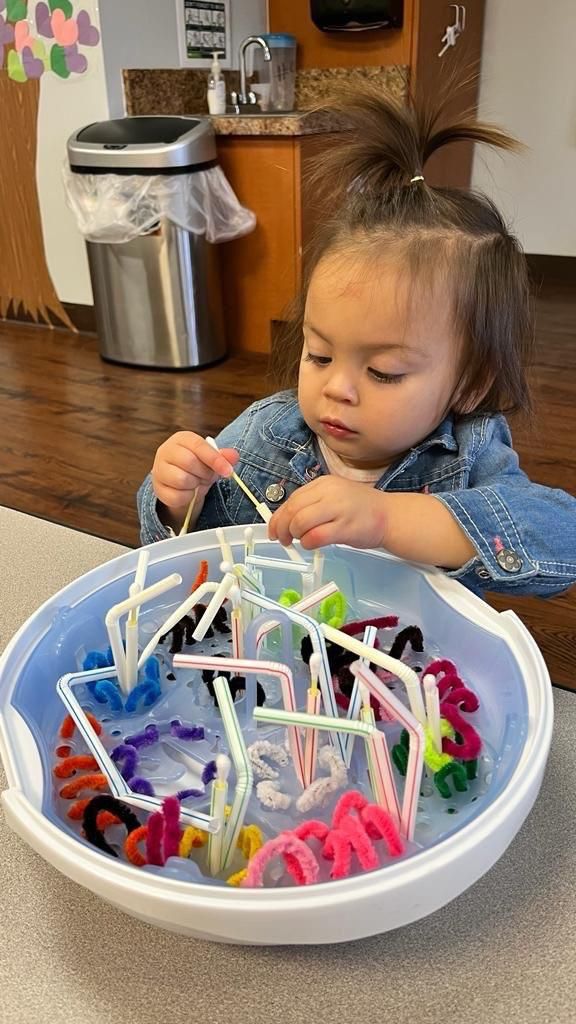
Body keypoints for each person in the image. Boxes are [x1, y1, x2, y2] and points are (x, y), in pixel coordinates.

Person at [138, 90, 576, 597]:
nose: (337, 388)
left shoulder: (469, 452)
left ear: (470, 382)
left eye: (384, 371)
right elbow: (177, 551)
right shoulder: (270, 431)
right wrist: (175, 497)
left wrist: (389, 520)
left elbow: (560, 537)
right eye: (319, 355)